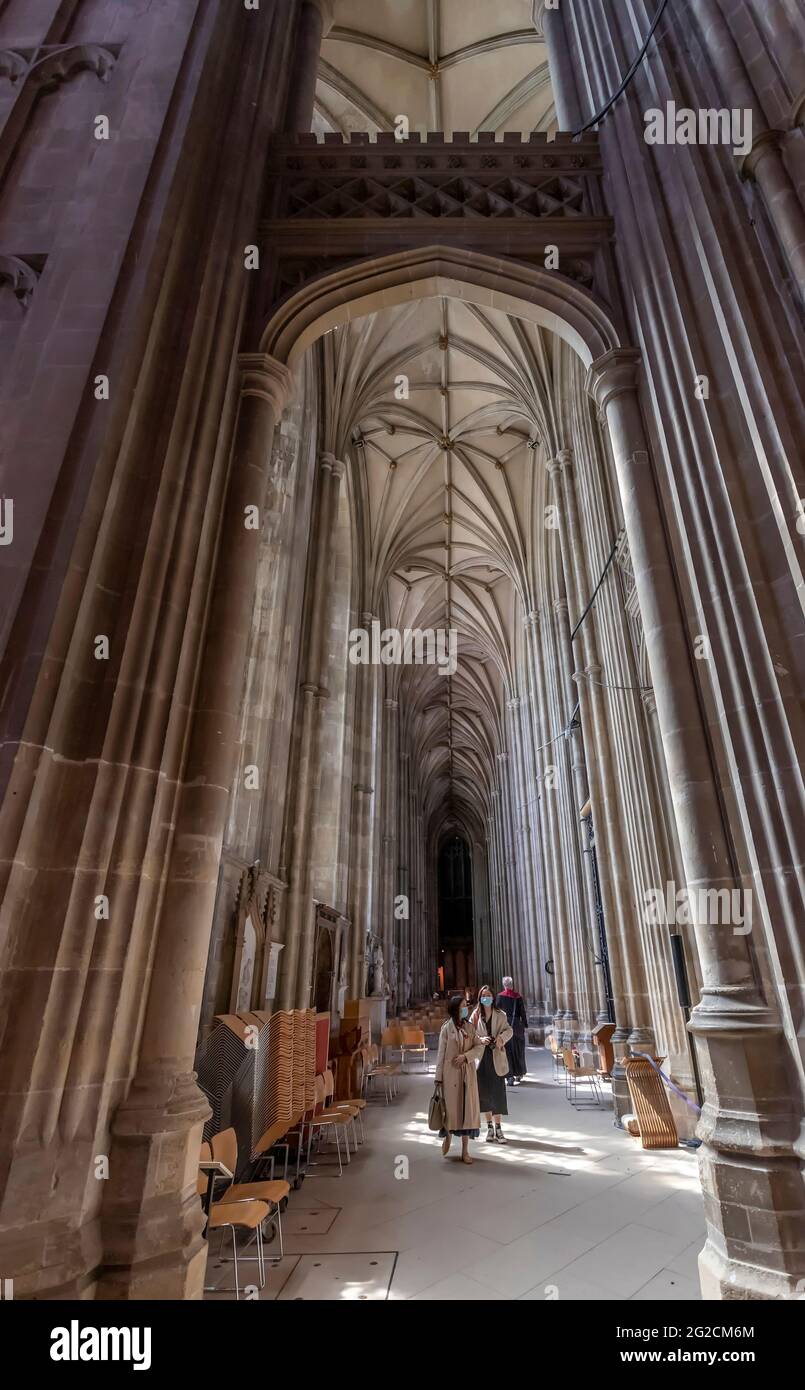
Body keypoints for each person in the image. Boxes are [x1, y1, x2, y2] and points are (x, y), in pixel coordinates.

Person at [434, 994, 485, 1163]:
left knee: (467, 1113)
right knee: (450, 1111)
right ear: (456, 1009)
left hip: (467, 1074)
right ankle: (448, 1135)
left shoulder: (470, 1028)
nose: (466, 1008)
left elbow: (479, 1046)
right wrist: (438, 1078)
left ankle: (465, 1151)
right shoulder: (446, 1029)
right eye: (463, 1006)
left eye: (466, 1005)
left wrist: (466, 1056)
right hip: (450, 1075)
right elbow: (440, 1055)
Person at [471, 984, 513, 1143]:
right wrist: (480, 1039)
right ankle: (489, 1128)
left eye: (488, 995)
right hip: (481, 1060)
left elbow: (509, 1030)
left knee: (498, 1093)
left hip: (496, 1057)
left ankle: (499, 1128)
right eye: (483, 996)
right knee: (485, 1095)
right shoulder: (475, 1016)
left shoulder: (500, 1015)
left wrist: (501, 1039)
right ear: (480, 998)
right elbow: (469, 1035)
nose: (486, 998)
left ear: (493, 997)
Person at [496, 975, 528, 1085]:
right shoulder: (517, 996)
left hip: (504, 1026)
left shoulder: (500, 997)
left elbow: (497, 1012)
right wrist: (525, 1025)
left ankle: (509, 1076)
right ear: (512, 984)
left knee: (507, 1051)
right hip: (517, 1026)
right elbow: (522, 1012)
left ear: (504, 985)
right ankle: (519, 1073)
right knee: (518, 1050)